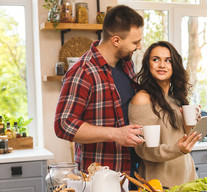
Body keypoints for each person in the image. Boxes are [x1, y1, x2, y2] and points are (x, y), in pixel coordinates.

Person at [54, 5, 145, 174]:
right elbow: (63, 125)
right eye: (135, 42)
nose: (139, 47)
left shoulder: (126, 64)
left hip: (132, 171)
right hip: (102, 176)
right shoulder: (83, 72)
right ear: (116, 40)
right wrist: (115, 134)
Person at [128, 41, 202, 187]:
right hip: (159, 184)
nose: (162, 65)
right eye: (156, 59)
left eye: (168, 60)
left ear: (174, 65)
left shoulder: (176, 99)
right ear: (148, 64)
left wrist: (189, 127)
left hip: (187, 178)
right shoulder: (142, 99)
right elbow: (143, 150)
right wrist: (178, 149)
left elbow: (180, 138)